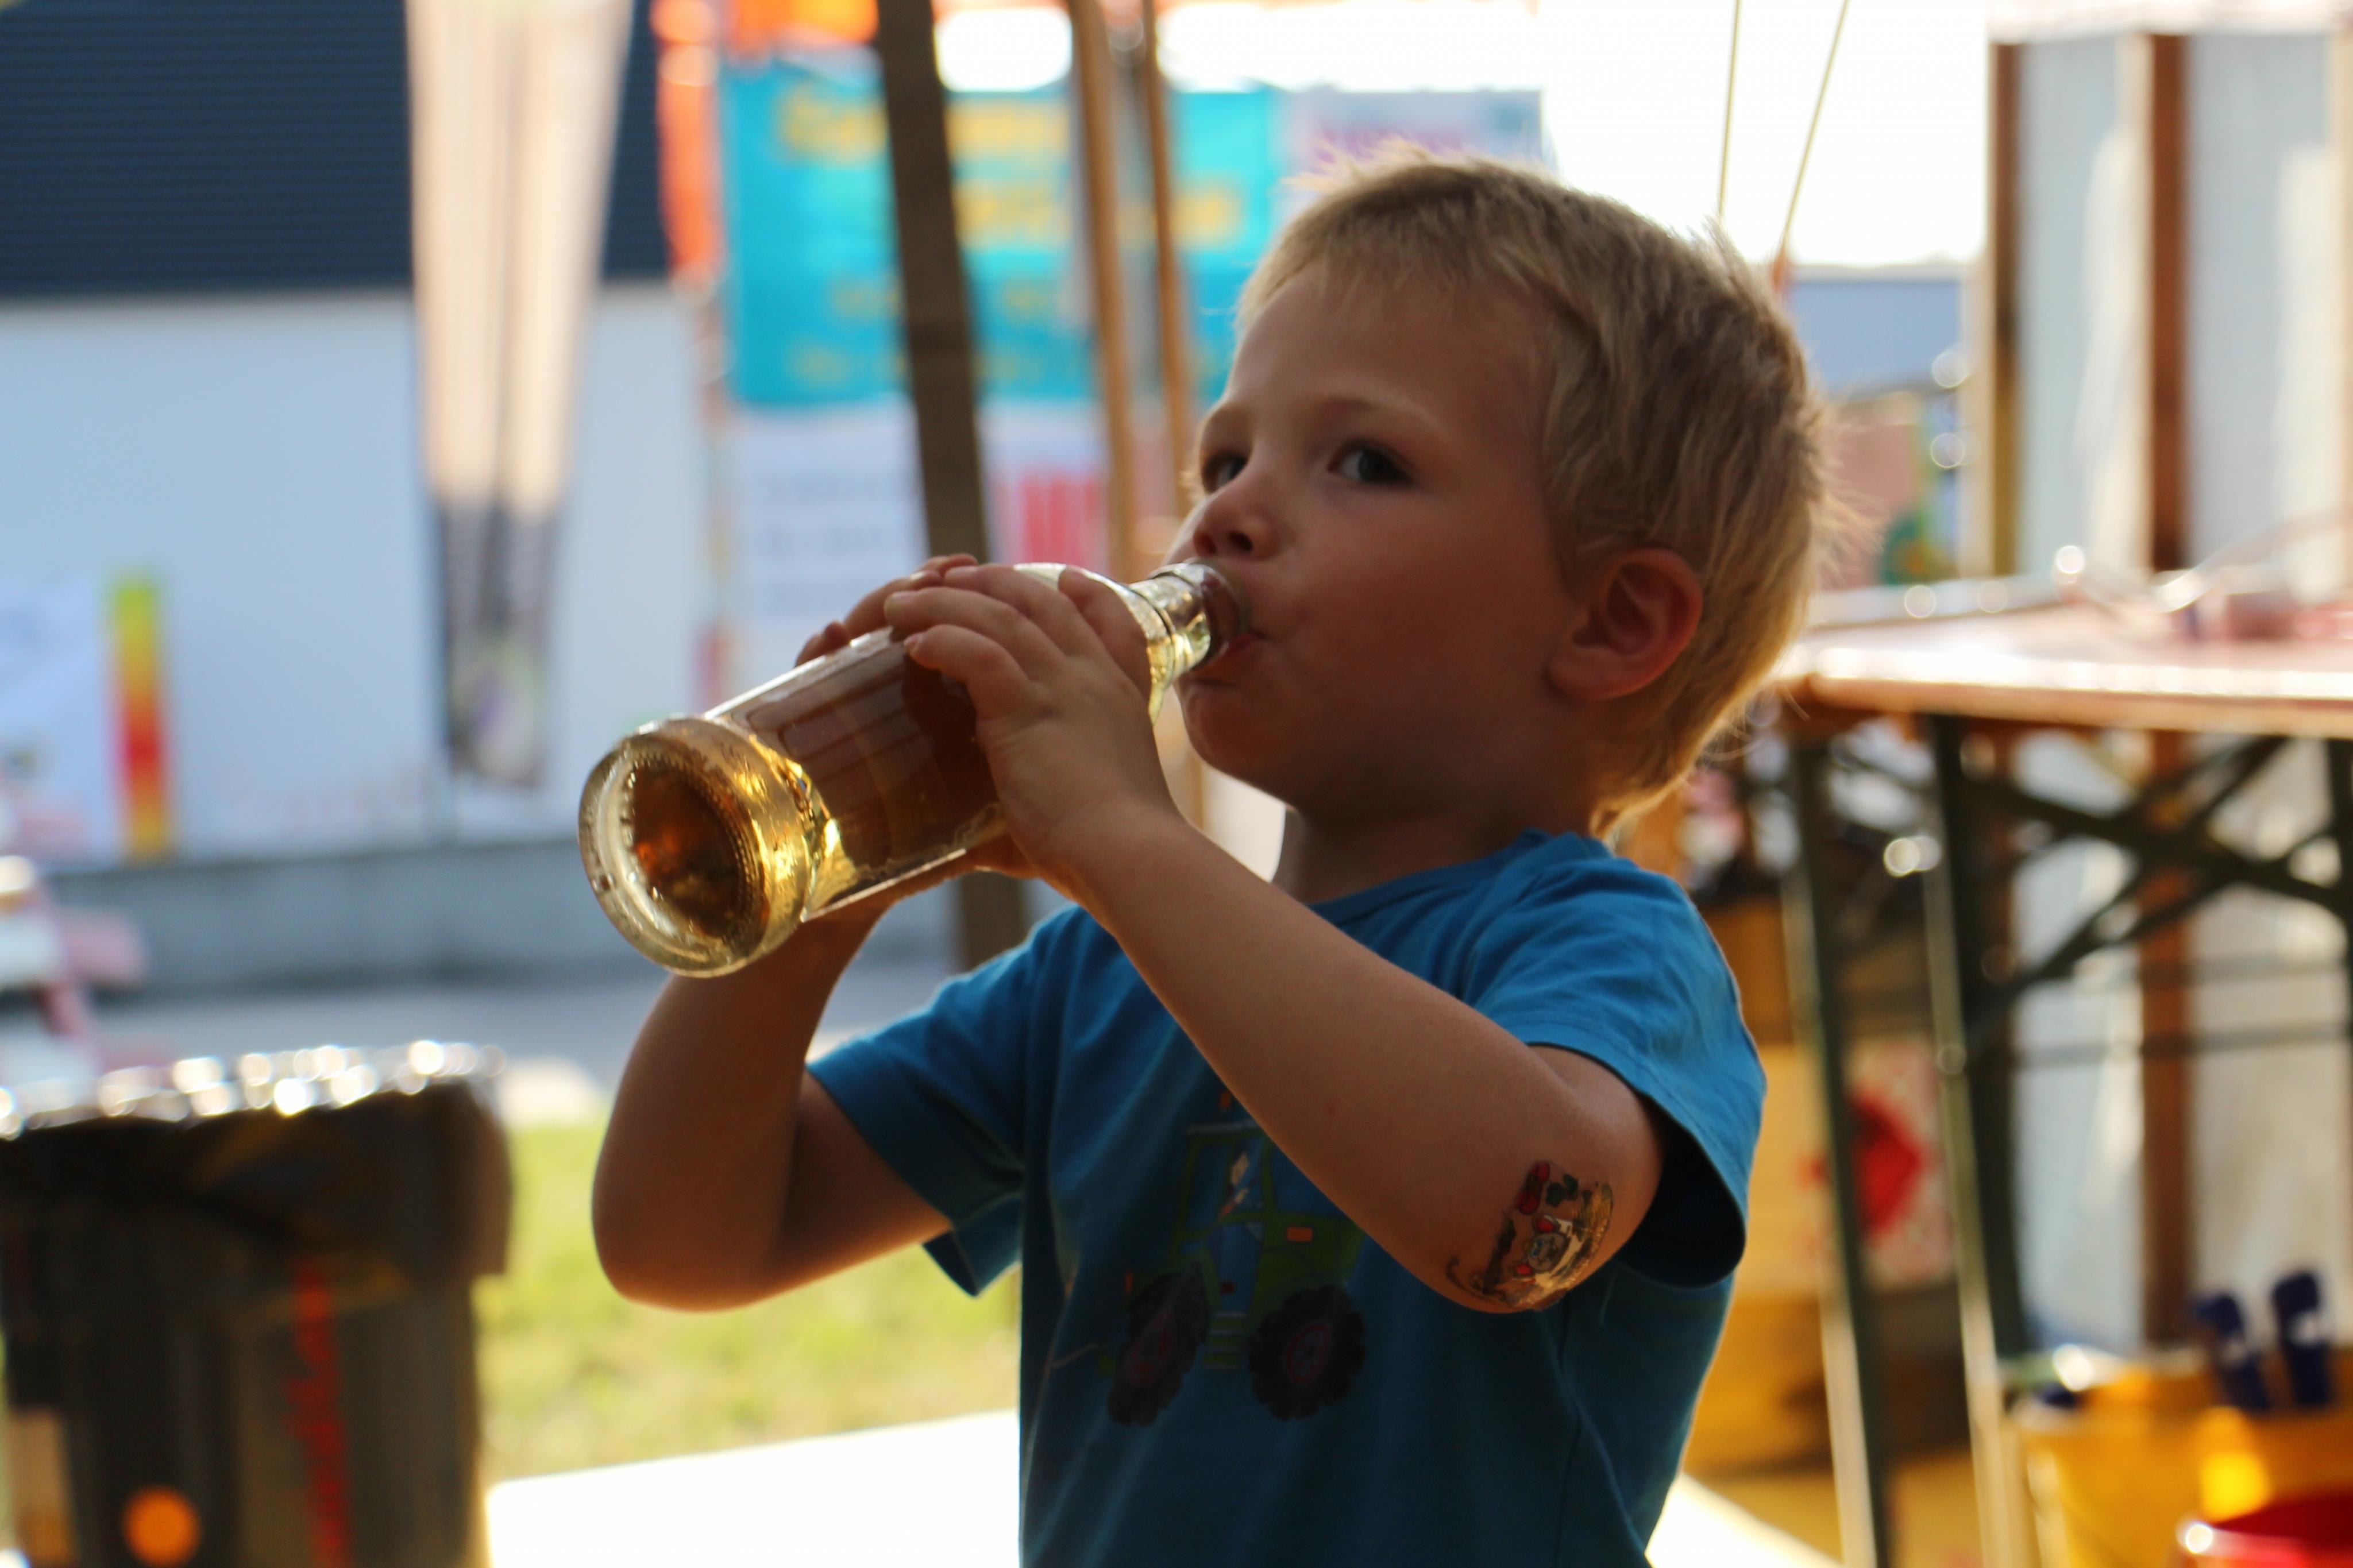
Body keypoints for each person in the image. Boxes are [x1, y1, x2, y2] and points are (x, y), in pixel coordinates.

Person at [593, 148, 1824, 1565]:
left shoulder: (1606, 951)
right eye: (1224, 458)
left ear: (1610, 623)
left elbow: (1515, 1221)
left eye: (1364, 462)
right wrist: (821, 883)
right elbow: (684, 1241)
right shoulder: (1096, 978)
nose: (1225, 515)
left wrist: (1121, 838)